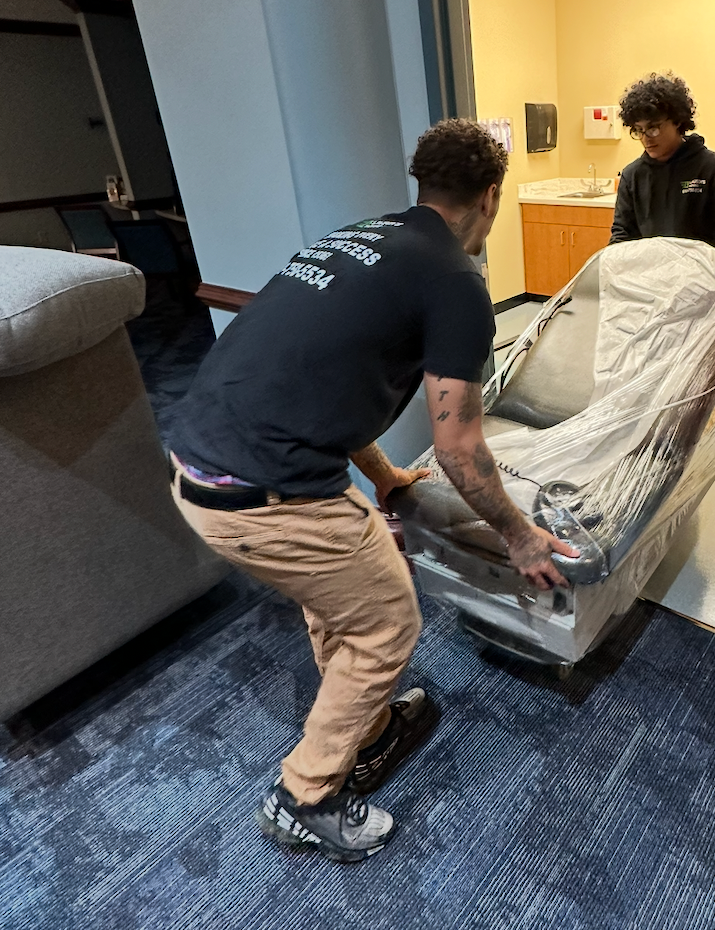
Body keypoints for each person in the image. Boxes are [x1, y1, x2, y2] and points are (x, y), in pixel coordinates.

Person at [168, 119, 576, 864]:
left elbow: (323, 371)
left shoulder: (362, 237)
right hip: (265, 495)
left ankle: (371, 727)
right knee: (388, 622)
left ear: (421, 186)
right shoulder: (458, 283)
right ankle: (304, 797)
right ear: (491, 196)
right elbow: (459, 446)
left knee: (343, 589)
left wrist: (385, 478)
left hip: (197, 466)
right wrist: (520, 538)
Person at [610, 73, 715, 257]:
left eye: (654, 128)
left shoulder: (712, 168)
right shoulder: (632, 176)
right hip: (649, 278)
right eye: (639, 130)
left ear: (677, 121)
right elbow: (622, 237)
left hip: (701, 278)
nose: (646, 138)